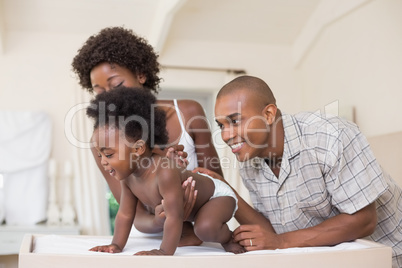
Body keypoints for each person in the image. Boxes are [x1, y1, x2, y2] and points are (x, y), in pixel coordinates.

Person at [199, 75, 401, 267]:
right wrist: (225, 190)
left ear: (268, 114)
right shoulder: (249, 162)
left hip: (389, 258)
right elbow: (271, 234)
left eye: (235, 121)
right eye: (221, 125)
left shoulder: (329, 136)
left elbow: (364, 220)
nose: (226, 135)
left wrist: (280, 241)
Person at [71, 26, 222, 244]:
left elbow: (217, 182)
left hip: (203, 235)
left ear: (141, 74)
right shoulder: (103, 144)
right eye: (99, 90)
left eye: (116, 84)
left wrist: (181, 182)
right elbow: (135, 214)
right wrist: (162, 218)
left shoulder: (188, 113)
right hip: (152, 242)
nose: (110, 95)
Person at [86, 87, 244, 255]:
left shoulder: (164, 171)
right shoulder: (128, 179)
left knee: (205, 228)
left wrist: (163, 251)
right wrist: (116, 245)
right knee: (200, 226)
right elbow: (125, 214)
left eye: (109, 154)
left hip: (217, 196)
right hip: (192, 212)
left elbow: (174, 216)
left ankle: (229, 238)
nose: (103, 161)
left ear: (138, 148)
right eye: (99, 155)